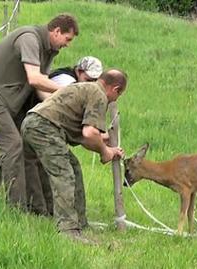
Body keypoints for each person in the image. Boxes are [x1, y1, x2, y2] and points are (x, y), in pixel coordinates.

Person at [0, 13, 79, 209]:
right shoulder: (30, 38)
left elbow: (40, 88)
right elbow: (35, 79)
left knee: (15, 143)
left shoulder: (49, 50)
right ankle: (16, 207)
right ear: (56, 31)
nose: (68, 44)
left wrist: (54, 110)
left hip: (10, 100)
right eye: (67, 39)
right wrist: (69, 92)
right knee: (13, 145)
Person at [0, 56, 103, 217]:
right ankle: (32, 208)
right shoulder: (65, 80)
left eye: (94, 80)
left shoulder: (77, 82)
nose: (90, 84)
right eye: (88, 79)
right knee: (21, 156)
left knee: (14, 153)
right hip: (33, 120)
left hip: (34, 120)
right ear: (79, 71)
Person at [20, 69, 127, 243]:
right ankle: (68, 230)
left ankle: (80, 222)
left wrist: (103, 143)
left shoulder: (87, 88)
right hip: (44, 127)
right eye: (118, 95)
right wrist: (105, 151)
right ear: (115, 89)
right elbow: (89, 133)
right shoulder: (99, 95)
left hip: (35, 123)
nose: (115, 99)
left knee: (73, 167)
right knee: (64, 174)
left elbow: (87, 137)